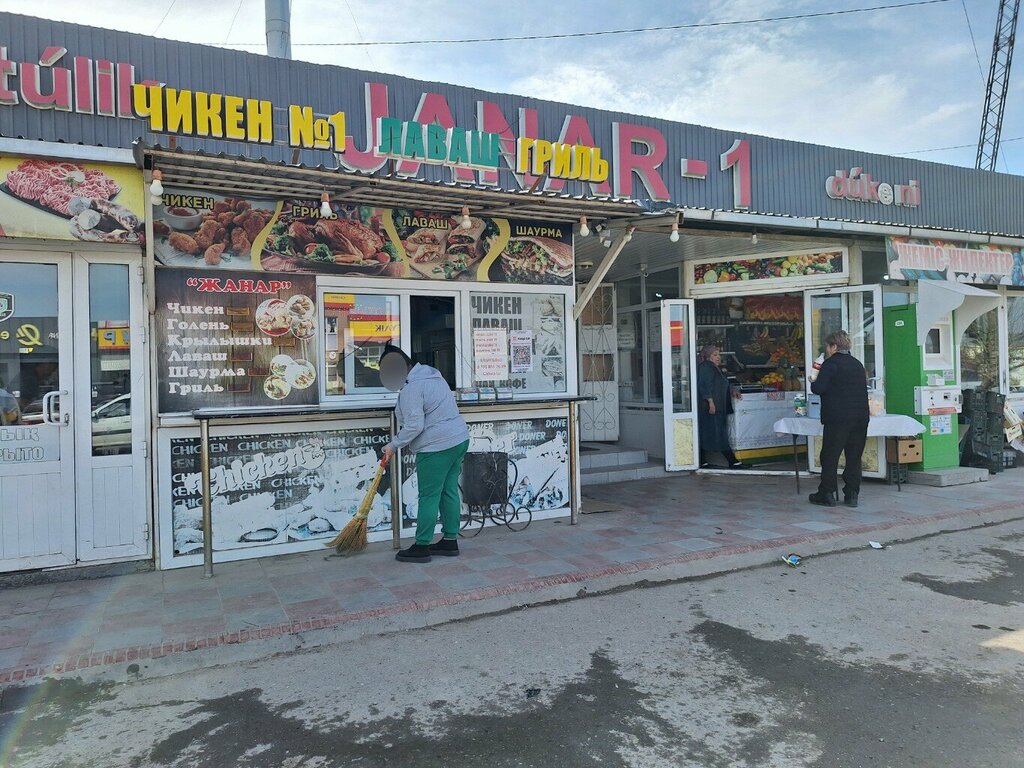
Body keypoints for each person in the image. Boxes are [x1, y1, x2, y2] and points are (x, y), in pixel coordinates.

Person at [379, 344, 470, 563]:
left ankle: (421, 546)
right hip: (458, 439)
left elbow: (414, 425)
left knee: (428, 496)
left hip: (436, 446)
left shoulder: (412, 388)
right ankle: (450, 541)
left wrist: (393, 445)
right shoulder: (434, 376)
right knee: (448, 491)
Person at [809, 330, 869, 508]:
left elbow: (819, 388)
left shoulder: (830, 364)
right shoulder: (857, 364)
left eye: (828, 346)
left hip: (838, 418)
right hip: (860, 417)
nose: (826, 350)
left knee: (830, 455)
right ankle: (852, 494)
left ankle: (826, 493)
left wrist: (813, 380)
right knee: (854, 457)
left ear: (834, 346)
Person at [696, 345, 749, 469]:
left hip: (717, 405)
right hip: (711, 407)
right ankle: (732, 461)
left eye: (718, 354)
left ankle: (702, 461)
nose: (718, 357)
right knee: (718, 433)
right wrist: (710, 402)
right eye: (715, 355)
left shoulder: (714, 368)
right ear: (708, 356)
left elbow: (720, 384)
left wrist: (732, 391)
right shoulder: (705, 367)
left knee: (708, 433)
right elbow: (704, 385)